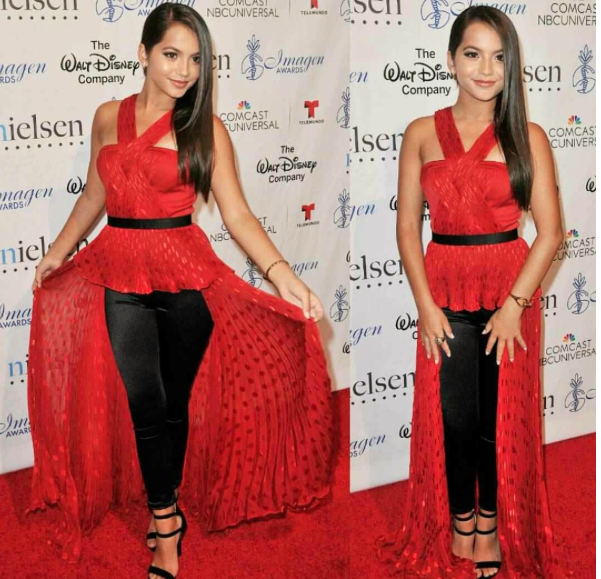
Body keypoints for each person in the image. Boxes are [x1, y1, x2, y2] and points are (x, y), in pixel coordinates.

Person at [26, 4, 333, 579]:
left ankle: (163, 493)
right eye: (171, 54)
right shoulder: (107, 117)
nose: (184, 70)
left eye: (195, 59)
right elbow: (94, 194)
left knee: (171, 404)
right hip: (119, 271)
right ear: (142, 54)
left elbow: (238, 216)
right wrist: (59, 251)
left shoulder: (205, 129)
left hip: (187, 275)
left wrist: (284, 276)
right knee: (144, 399)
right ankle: (166, 520)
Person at [376, 7, 571, 579]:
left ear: (512, 66)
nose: (486, 69)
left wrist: (514, 307)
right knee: (455, 415)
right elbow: (406, 228)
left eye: (499, 57)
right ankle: (460, 519)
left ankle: (489, 526)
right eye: (473, 54)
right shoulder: (420, 133)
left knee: (498, 420)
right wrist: (425, 305)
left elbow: (551, 232)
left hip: (510, 289)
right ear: (450, 60)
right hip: (444, 289)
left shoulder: (528, 136)